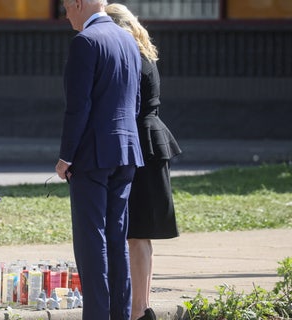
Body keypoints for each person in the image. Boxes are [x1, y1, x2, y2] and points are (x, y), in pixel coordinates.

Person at [55, 0, 144, 319]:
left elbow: (78, 108)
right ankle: (120, 313)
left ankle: (97, 314)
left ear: (79, 3)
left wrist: (66, 156)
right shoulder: (127, 38)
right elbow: (134, 102)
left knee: (91, 242)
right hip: (126, 151)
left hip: (92, 154)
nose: (65, 14)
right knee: (116, 238)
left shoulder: (85, 42)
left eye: (66, 6)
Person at [105, 4, 182, 320]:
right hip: (151, 142)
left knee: (135, 232)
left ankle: (138, 310)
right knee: (140, 233)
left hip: (140, 144)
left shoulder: (129, 57)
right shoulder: (144, 52)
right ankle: (141, 307)